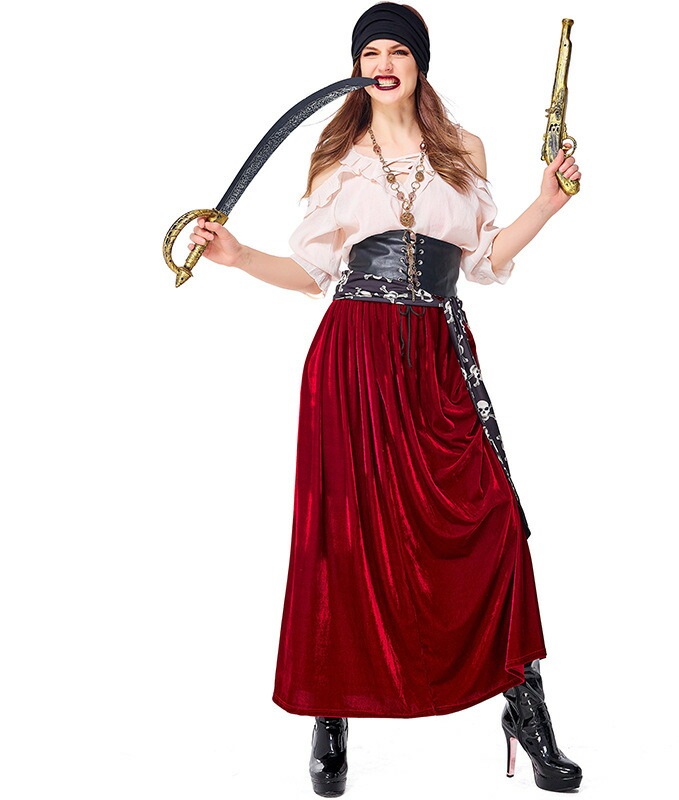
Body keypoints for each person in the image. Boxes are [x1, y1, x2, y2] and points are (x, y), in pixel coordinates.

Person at [187, 3, 583, 795]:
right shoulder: (338, 157)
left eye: (399, 49)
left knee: (493, 522)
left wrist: (547, 203)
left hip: (436, 358)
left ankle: (525, 707)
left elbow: (484, 261)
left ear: (420, 63)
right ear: (357, 67)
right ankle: (330, 715)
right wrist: (236, 256)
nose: (385, 63)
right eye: (371, 52)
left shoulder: (463, 149)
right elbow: (312, 273)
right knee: (341, 540)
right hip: (352, 360)